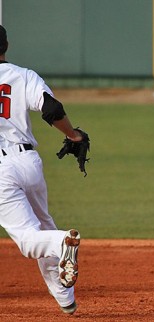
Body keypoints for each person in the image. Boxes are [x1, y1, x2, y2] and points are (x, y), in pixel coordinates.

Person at [0, 25, 82, 314]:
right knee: (43, 226)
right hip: (28, 162)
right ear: (6, 46)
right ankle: (65, 298)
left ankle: (63, 243)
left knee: (29, 240)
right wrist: (73, 135)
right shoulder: (23, 75)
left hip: (0, 173)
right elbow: (51, 109)